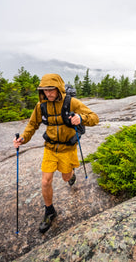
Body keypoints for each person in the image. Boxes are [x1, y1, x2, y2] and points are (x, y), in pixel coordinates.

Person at [13, 73, 99, 233]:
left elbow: (94, 118)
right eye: (45, 90)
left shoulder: (71, 102)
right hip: (50, 148)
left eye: (51, 90)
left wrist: (81, 118)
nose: (48, 93)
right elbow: (32, 124)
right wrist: (23, 139)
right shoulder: (41, 106)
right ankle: (49, 211)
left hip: (68, 148)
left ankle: (71, 174)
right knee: (45, 181)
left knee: (66, 177)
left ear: (58, 88)